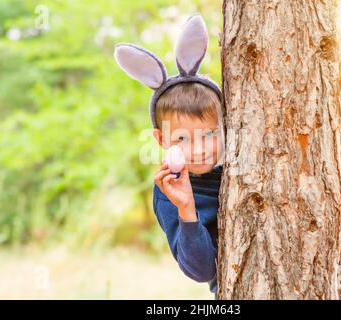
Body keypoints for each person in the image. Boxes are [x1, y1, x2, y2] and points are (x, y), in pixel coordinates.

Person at [114, 13, 224, 299]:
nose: (199, 148)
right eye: (182, 139)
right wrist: (187, 210)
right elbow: (201, 272)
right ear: (161, 140)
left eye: (210, 134)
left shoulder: (241, 158)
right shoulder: (168, 192)